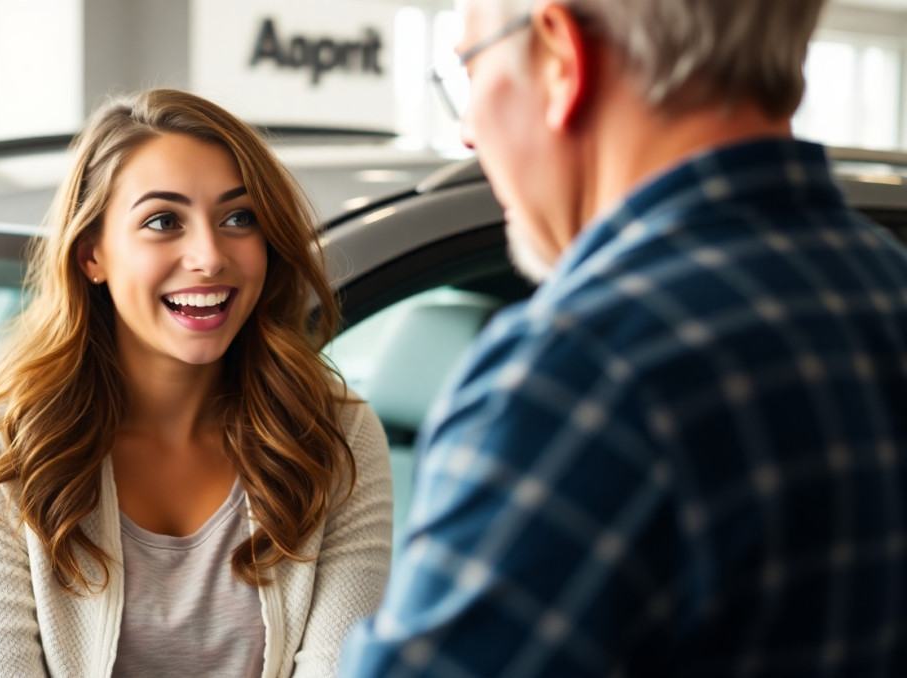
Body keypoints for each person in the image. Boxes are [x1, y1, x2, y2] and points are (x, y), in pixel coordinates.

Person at [342, 0, 907, 676]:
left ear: (559, 58)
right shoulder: (885, 283)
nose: (466, 131)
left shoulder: (579, 373)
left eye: (468, 68)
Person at [0, 88, 393, 678]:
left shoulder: (335, 436)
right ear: (91, 254)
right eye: (163, 221)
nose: (208, 255)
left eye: (238, 218)